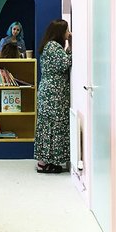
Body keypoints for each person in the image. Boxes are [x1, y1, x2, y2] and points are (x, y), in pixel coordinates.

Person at [34, 19, 72, 174]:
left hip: (49, 91)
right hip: (53, 93)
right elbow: (65, 63)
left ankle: (45, 161)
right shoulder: (53, 46)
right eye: (66, 31)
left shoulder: (48, 45)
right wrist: (72, 45)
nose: (68, 33)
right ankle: (45, 162)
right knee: (53, 126)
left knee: (47, 126)